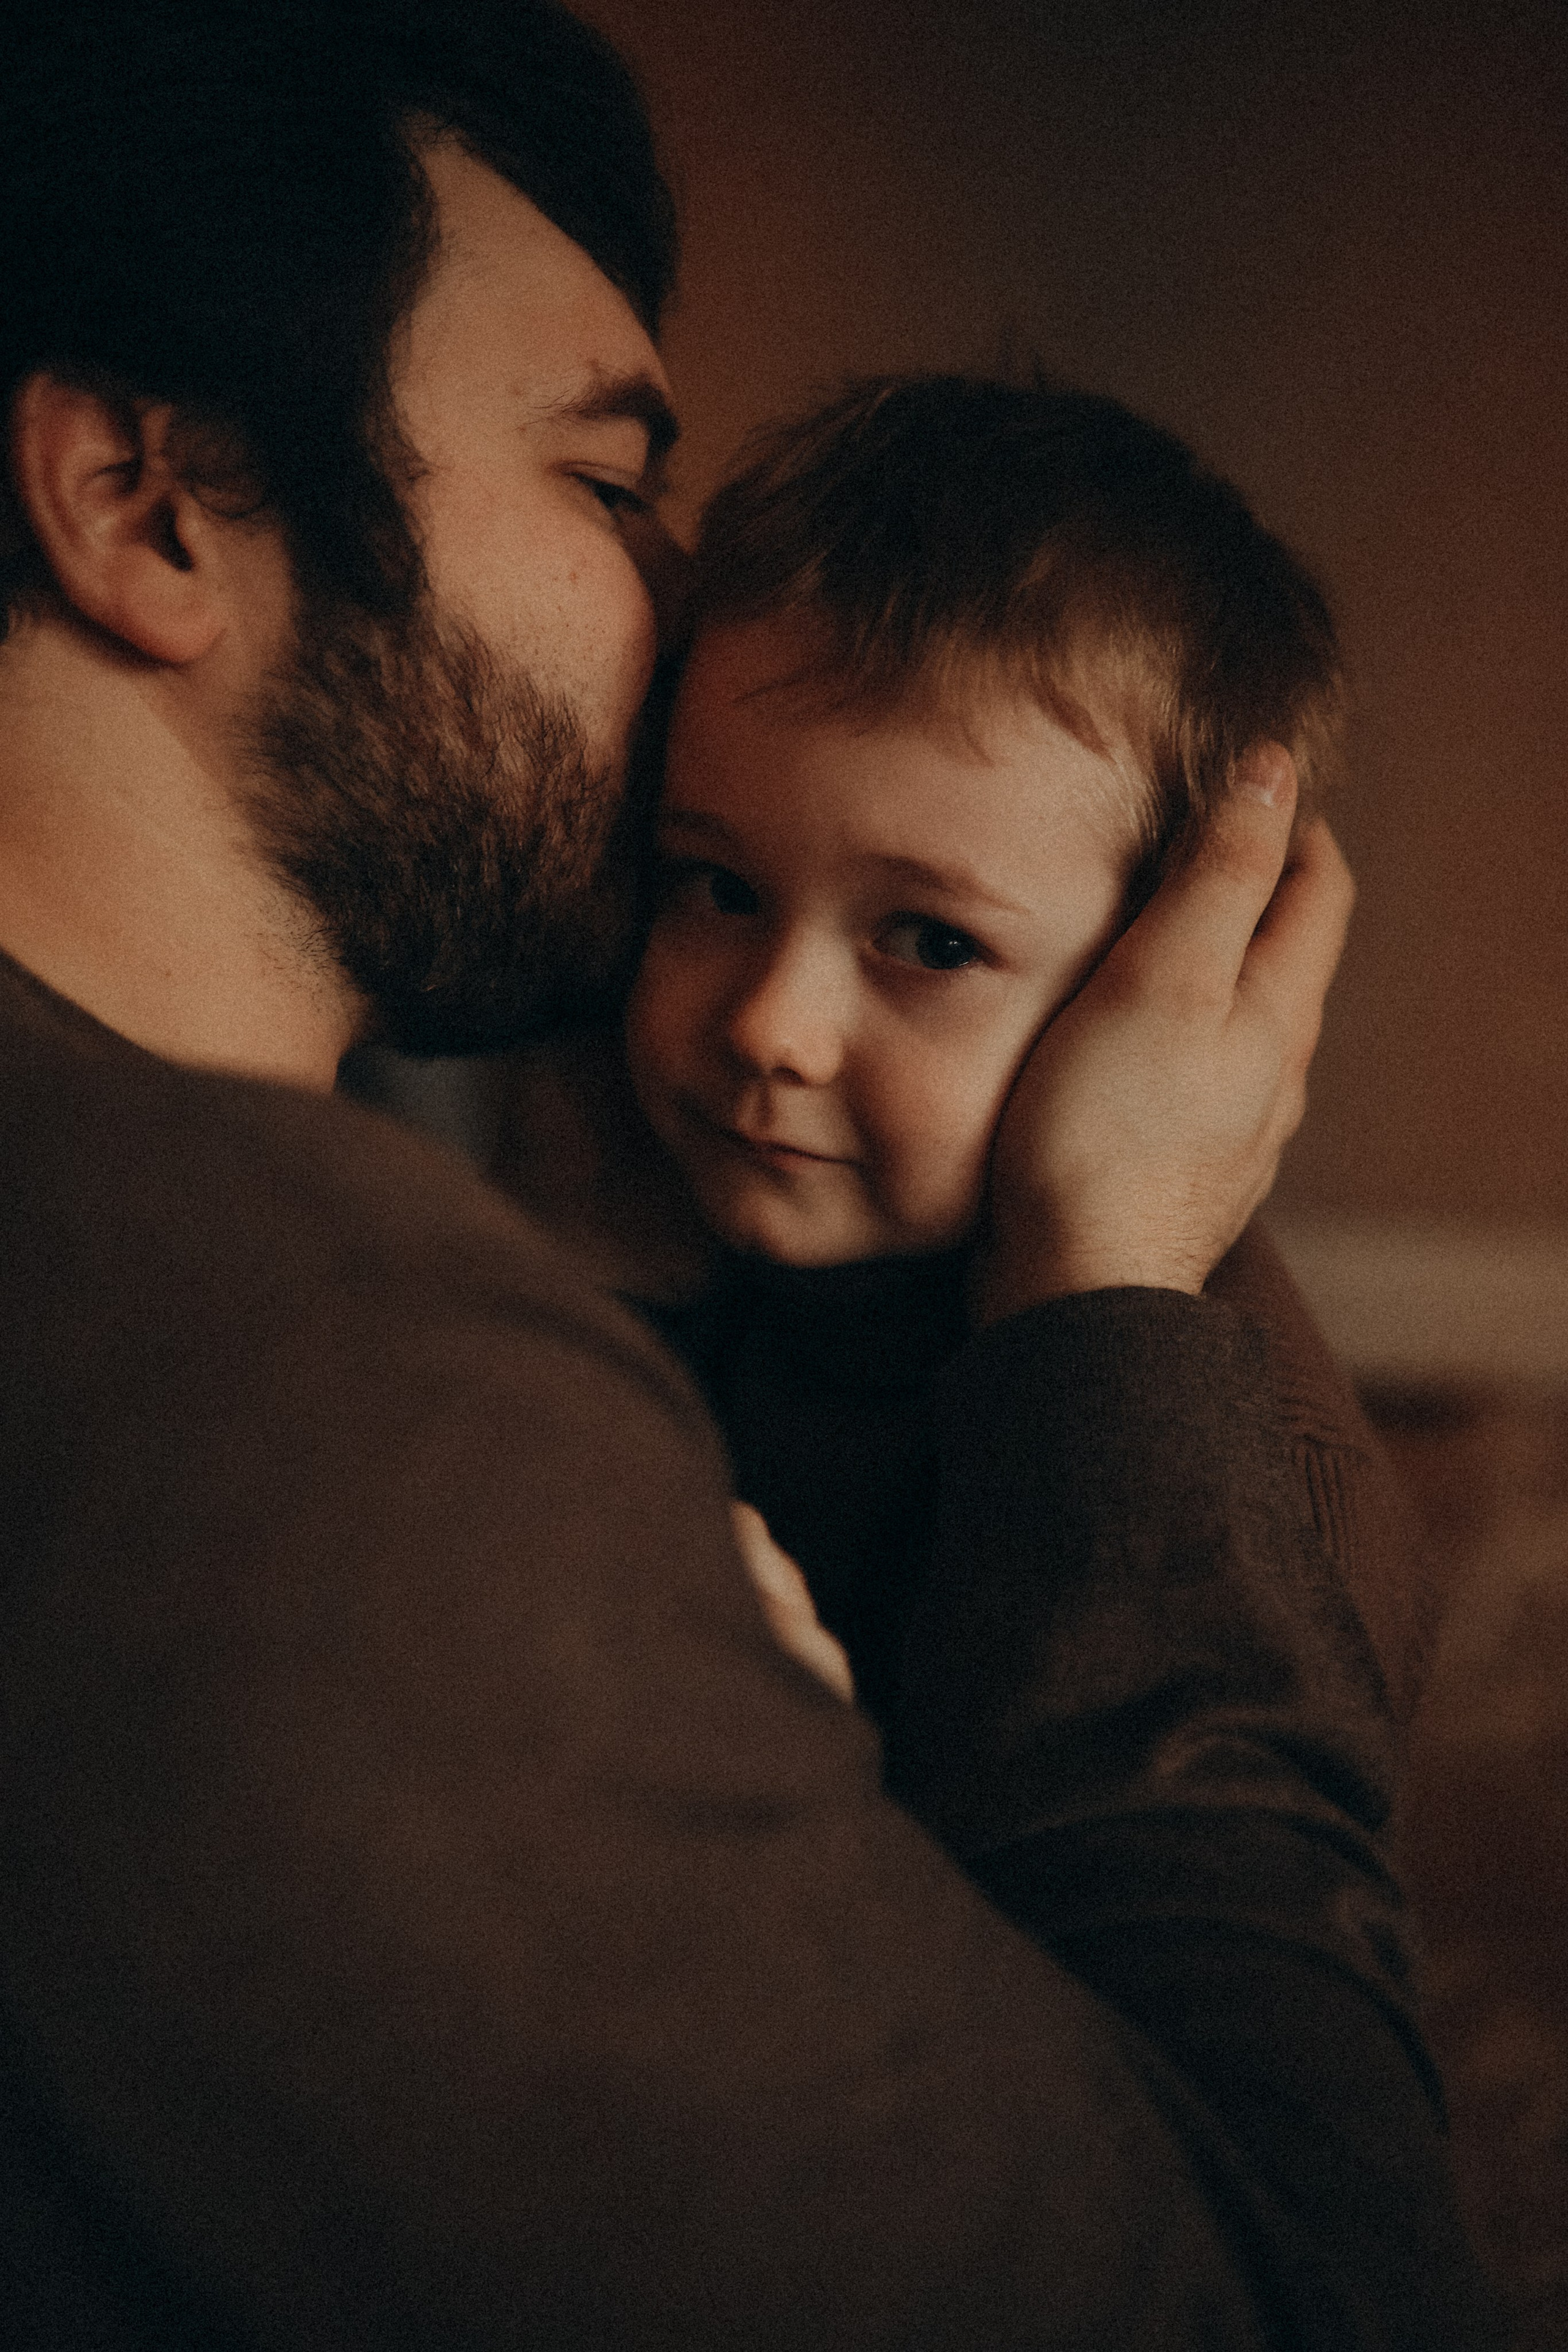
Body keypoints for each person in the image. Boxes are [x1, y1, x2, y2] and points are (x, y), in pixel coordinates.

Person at [0, 3, 1490, 2346]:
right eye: (605, 485)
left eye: (922, 938)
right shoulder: (308, 1368)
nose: (669, 601)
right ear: (152, 503)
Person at [507, 373, 1429, 1728]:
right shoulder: (665, 1258)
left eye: (931, 945)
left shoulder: (1264, 1521)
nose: (769, 1024)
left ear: (1175, 988)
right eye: (715, 887)